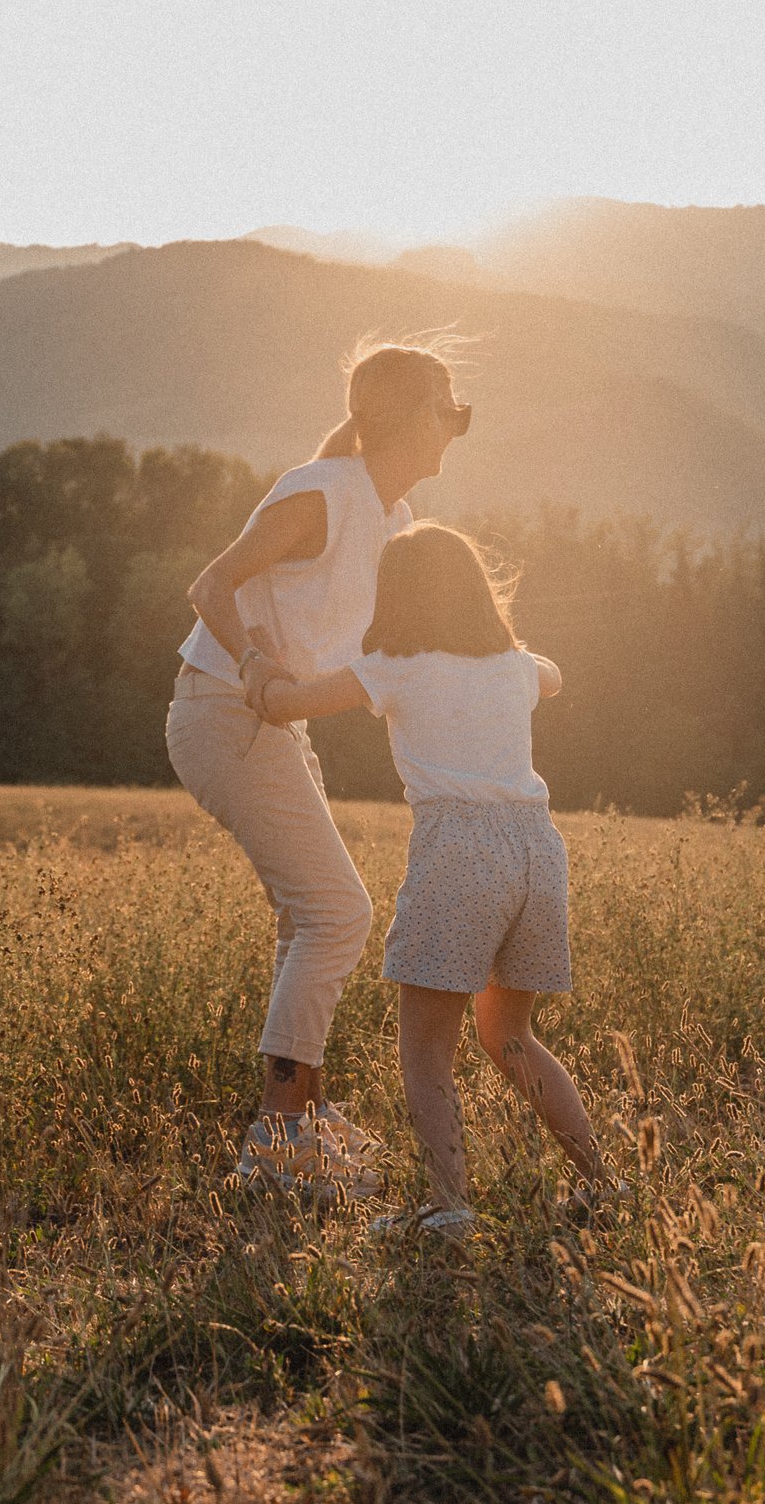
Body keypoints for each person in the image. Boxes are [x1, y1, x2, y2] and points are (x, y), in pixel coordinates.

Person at [248, 521, 612, 1239]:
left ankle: (450, 1206)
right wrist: (510, 652)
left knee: (425, 1046)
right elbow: (555, 673)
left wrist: (258, 668)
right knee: (510, 1034)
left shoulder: (395, 664)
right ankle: (602, 1181)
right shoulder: (513, 666)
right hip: (536, 848)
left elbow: (287, 704)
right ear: (478, 592)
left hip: (459, 851)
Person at [169, 341, 470, 1200]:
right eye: (447, 408)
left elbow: (400, 646)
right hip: (222, 712)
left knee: (309, 920)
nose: (453, 427)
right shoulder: (323, 493)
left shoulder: (397, 518)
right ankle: (279, 1137)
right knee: (340, 911)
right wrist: (261, 665)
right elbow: (212, 583)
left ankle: (300, 1118)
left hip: (269, 725)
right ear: (412, 417)